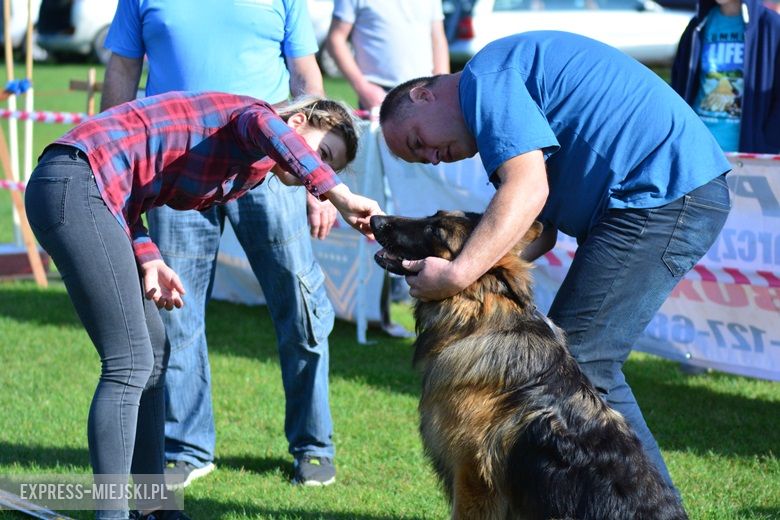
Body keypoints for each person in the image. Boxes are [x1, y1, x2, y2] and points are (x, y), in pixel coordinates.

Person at [378, 31, 732, 492]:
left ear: (423, 94)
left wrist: (457, 275)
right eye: (421, 160)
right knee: (572, 365)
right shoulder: (500, 88)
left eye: (418, 141)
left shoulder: (486, 80)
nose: (433, 158)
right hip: (659, 194)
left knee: (580, 364)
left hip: (663, 194)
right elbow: (534, 233)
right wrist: (470, 278)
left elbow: (527, 192)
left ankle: (647, 508)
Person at [24, 92, 380, 520]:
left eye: (330, 165)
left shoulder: (251, 169)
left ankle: (156, 509)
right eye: (321, 154)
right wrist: (338, 194)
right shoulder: (255, 119)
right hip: (72, 182)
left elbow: (135, 195)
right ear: (298, 121)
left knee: (155, 353)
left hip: (92, 193)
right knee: (129, 362)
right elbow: (269, 129)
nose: (318, 169)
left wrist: (149, 257)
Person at [100, 0, 342, 487]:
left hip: (273, 169)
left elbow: (307, 80)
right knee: (175, 311)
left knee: (300, 306)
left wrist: (319, 178)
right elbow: (123, 68)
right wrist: (119, 158)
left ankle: (314, 445)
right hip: (173, 166)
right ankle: (187, 448)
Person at [671, 0, 780, 153]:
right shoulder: (697, 26)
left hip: (748, 157)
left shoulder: (772, 26)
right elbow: (679, 84)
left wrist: (766, 144)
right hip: (697, 151)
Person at [325, 0, 450, 110]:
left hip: (425, 90)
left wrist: (442, 85)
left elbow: (438, 39)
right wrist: (363, 88)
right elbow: (335, 39)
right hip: (380, 94)